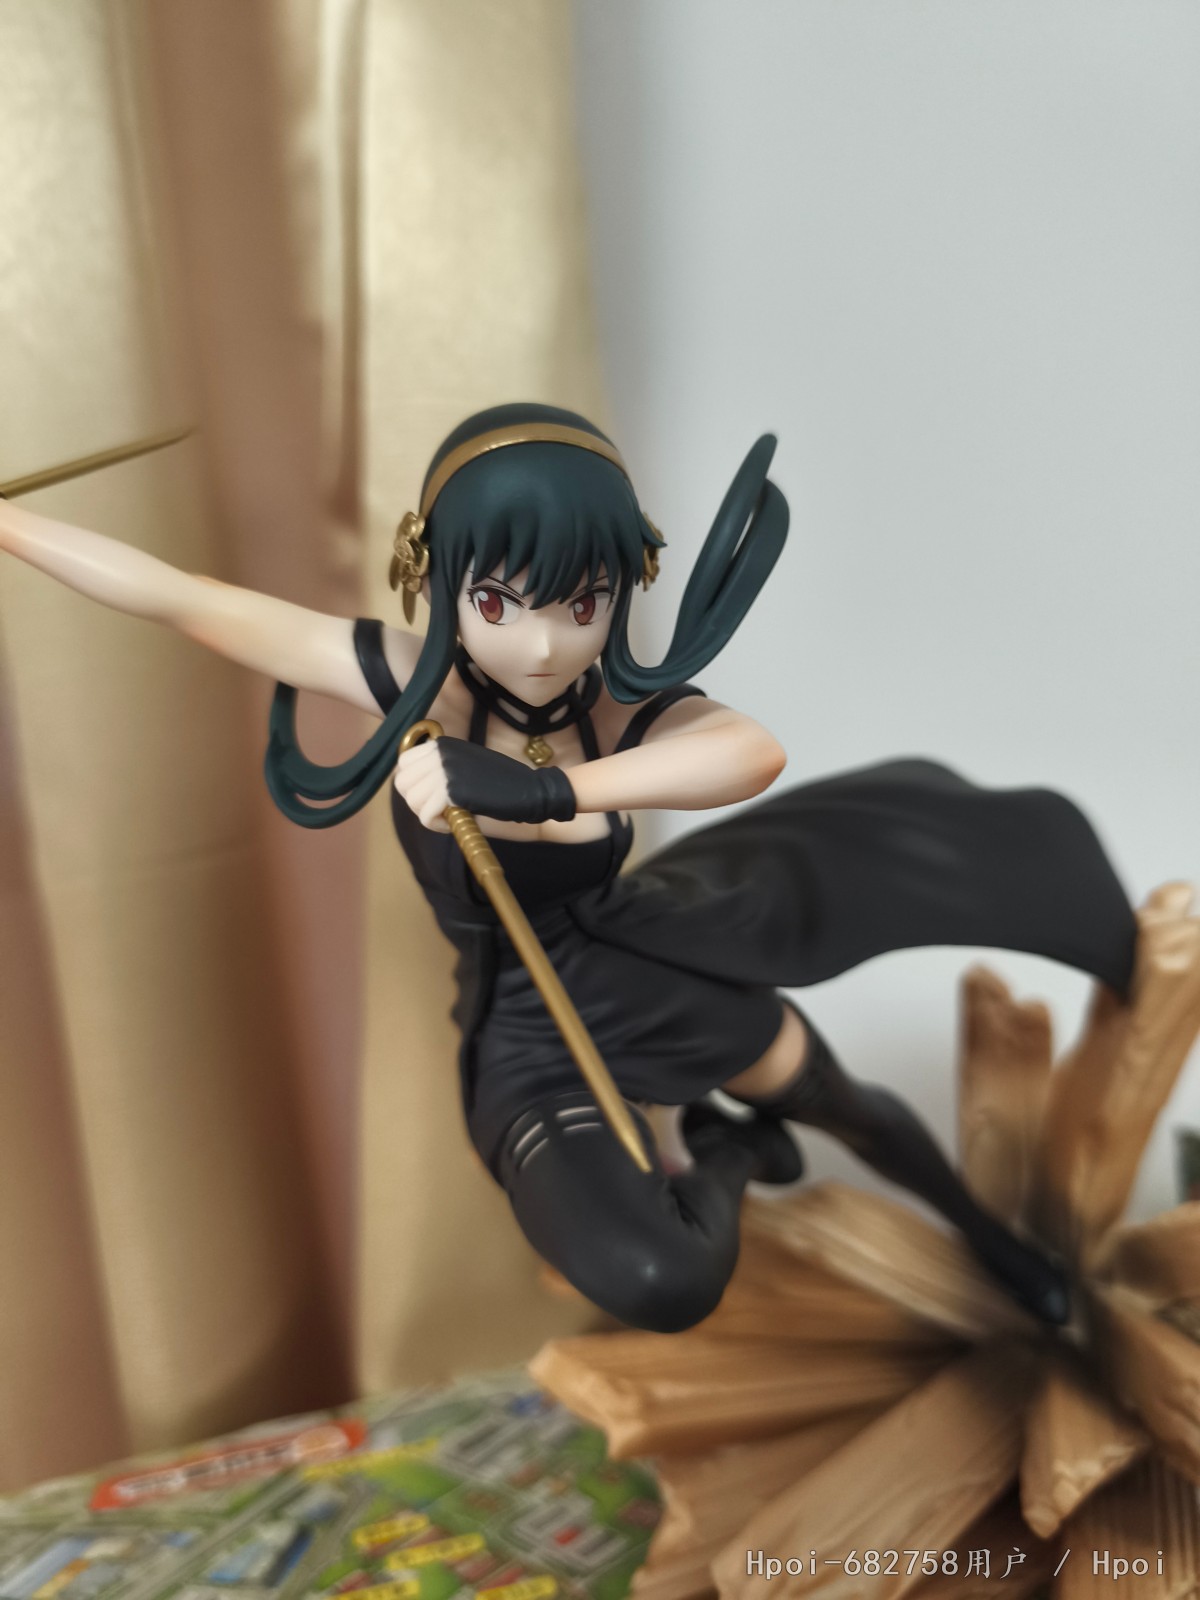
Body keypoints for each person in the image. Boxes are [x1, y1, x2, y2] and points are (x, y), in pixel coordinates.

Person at [0, 402, 1136, 1332]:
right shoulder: (414, 683)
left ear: (622, 588)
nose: (542, 644)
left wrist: (547, 792)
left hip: (656, 965)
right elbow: (181, 598)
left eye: (582, 604)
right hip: (530, 1033)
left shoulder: (613, 708)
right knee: (664, 1280)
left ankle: (995, 1247)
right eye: (498, 603)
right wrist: (12, 528)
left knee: (852, 1108)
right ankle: (728, 1159)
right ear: (441, 579)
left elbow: (750, 752)